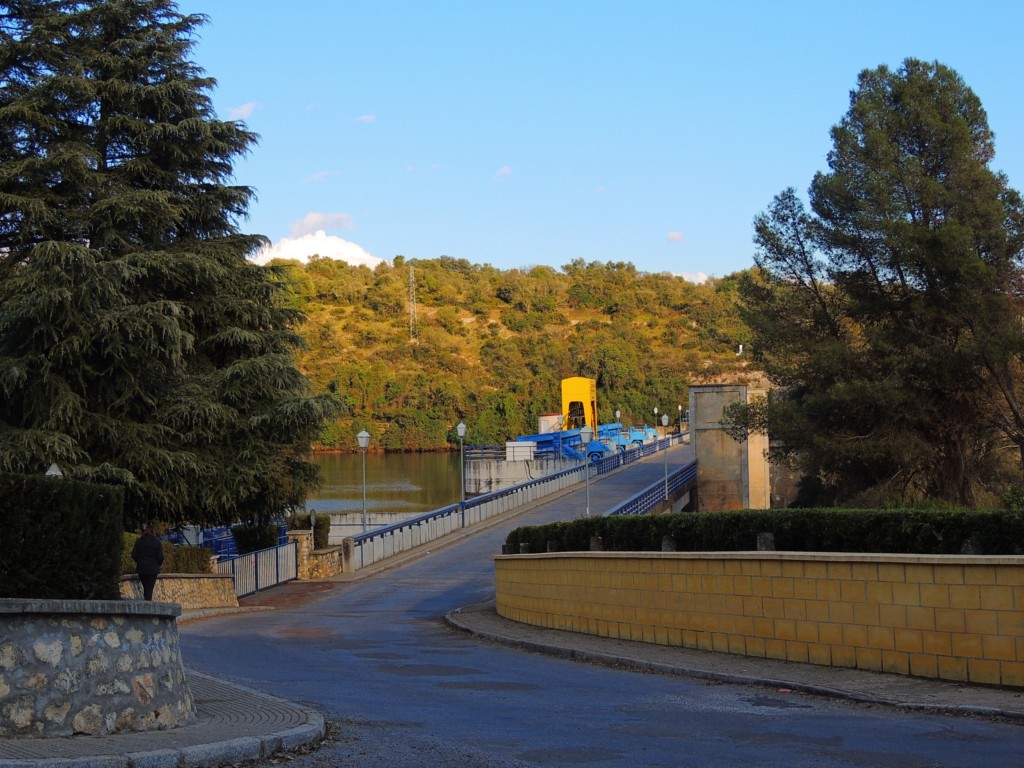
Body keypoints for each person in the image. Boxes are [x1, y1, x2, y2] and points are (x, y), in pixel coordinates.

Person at [131, 524, 164, 601]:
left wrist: (139, 561)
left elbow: (134, 554)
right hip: (153, 569)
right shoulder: (157, 542)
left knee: (146, 587)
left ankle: (147, 602)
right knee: (149, 589)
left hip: (142, 568)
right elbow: (160, 557)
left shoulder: (139, 541)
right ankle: (148, 604)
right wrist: (158, 564)